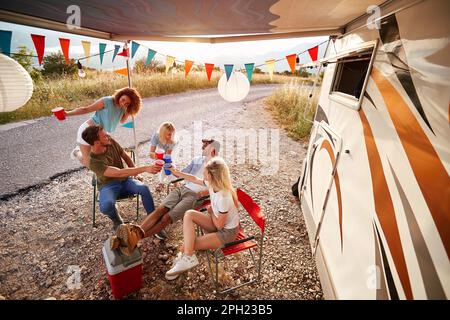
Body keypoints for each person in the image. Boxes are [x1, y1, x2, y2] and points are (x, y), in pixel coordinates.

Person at [114, 137, 220, 244]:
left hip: (194, 196)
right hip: (182, 188)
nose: (203, 146)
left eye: (206, 145)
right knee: (160, 210)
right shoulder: (197, 160)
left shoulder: (218, 167)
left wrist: (203, 193)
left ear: (213, 150)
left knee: (166, 218)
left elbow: (220, 186)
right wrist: (171, 168)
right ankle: (133, 235)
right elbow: (183, 173)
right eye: (204, 144)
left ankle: (135, 239)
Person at [165, 156, 240, 280]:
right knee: (189, 213)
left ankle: (186, 257)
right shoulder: (212, 184)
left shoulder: (223, 197)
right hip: (216, 221)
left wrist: (210, 212)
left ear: (211, 175)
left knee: (188, 245)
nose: (203, 172)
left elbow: (219, 226)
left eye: (205, 171)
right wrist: (176, 173)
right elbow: (194, 179)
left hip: (227, 233)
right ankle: (188, 257)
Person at [82, 124, 161, 230]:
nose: (108, 136)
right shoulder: (93, 162)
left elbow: (125, 156)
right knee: (106, 206)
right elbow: (118, 173)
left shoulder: (110, 142)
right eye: (104, 136)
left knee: (144, 188)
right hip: (108, 185)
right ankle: (117, 221)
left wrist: (135, 173)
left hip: (125, 181)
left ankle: (154, 221)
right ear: (96, 142)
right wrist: (145, 168)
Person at [65, 87, 142, 167]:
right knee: (88, 164)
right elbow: (85, 109)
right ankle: (77, 152)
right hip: (88, 131)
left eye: (127, 103)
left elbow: (122, 121)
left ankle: (105, 177)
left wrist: (129, 110)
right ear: (120, 95)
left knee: (104, 160)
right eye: (123, 100)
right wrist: (67, 113)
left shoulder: (124, 107)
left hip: (103, 134)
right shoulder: (106, 101)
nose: (123, 103)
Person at [149, 122, 177, 192]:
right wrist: (157, 157)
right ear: (163, 134)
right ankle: (161, 182)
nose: (171, 136)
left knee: (170, 164)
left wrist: (163, 160)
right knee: (161, 165)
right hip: (160, 151)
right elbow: (151, 153)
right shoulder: (156, 136)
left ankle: (175, 182)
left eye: (172, 134)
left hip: (169, 152)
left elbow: (168, 156)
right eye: (169, 134)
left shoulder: (173, 141)